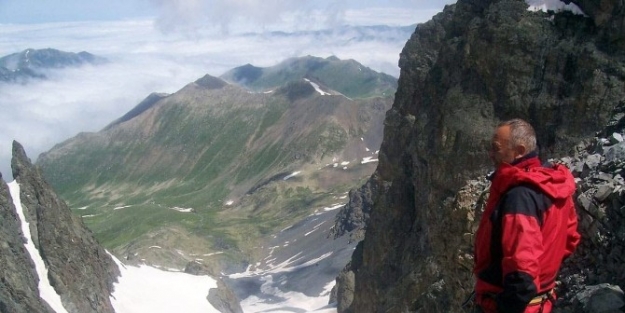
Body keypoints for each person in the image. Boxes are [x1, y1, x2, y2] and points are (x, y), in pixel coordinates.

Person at [473, 119, 581, 313]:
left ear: (520, 150)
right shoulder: (553, 185)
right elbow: (570, 239)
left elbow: (522, 269)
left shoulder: (519, 197)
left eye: (496, 149)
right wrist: (545, 272)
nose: (490, 154)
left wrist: (504, 306)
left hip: (513, 304)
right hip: (541, 302)